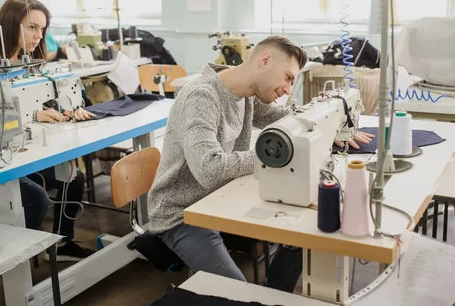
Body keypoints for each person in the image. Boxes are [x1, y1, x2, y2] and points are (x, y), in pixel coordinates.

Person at [147, 35, 374, 291]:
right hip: (182, 213)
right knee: (238, 294)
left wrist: (333, 125)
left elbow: (291, 120)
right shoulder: (201, 97)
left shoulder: (247, 95)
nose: (289, 89)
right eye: (288, 77)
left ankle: (275, 292)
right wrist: (271, 157)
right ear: (265, 60)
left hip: (221, 196)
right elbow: (210, 170)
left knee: (304, 232)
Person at [0, 0, 95, 261]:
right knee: (36, 198)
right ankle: (20, 262)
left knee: (73, 178)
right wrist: (33, 114)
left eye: (42, 30)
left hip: (22, 151)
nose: (38, 36)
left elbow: (45, 101)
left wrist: (65, 110)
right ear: (11, 25)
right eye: (32, 27)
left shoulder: (28, 65)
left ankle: (61, 244)